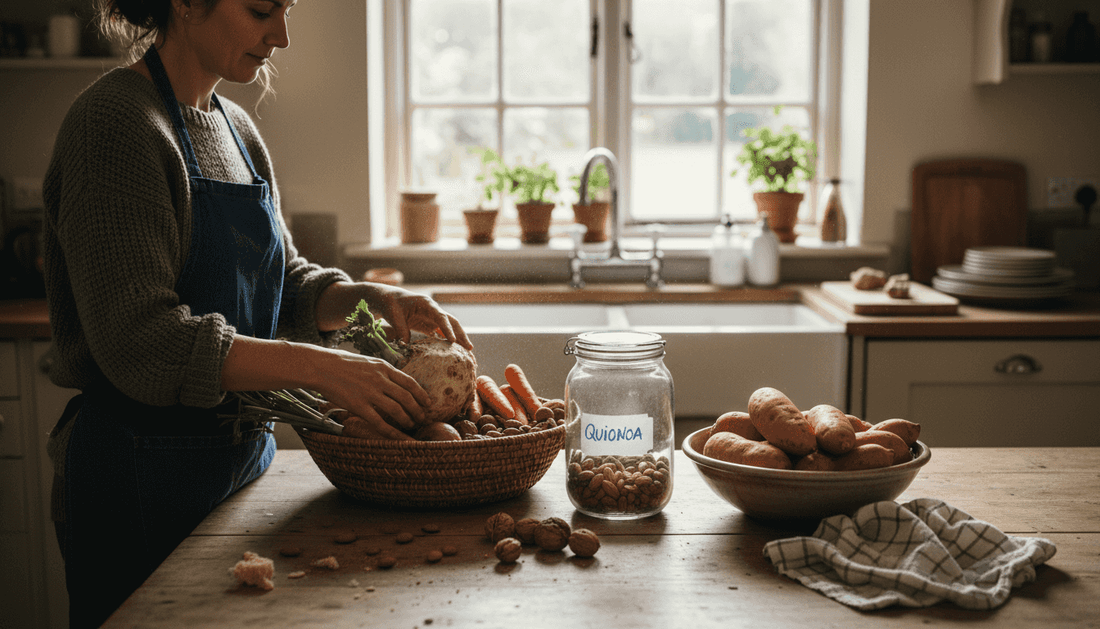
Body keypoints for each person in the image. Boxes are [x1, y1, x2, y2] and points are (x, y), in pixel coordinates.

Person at [42, 1, 471, 626]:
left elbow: (286, 283)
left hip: (240, 468)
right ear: (186, 2)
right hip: (139, 479)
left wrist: (368, 298)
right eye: (263, 9)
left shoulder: (235, 129)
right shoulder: (114, 125)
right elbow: (142, 342)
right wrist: (321, 369)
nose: (284, 35)